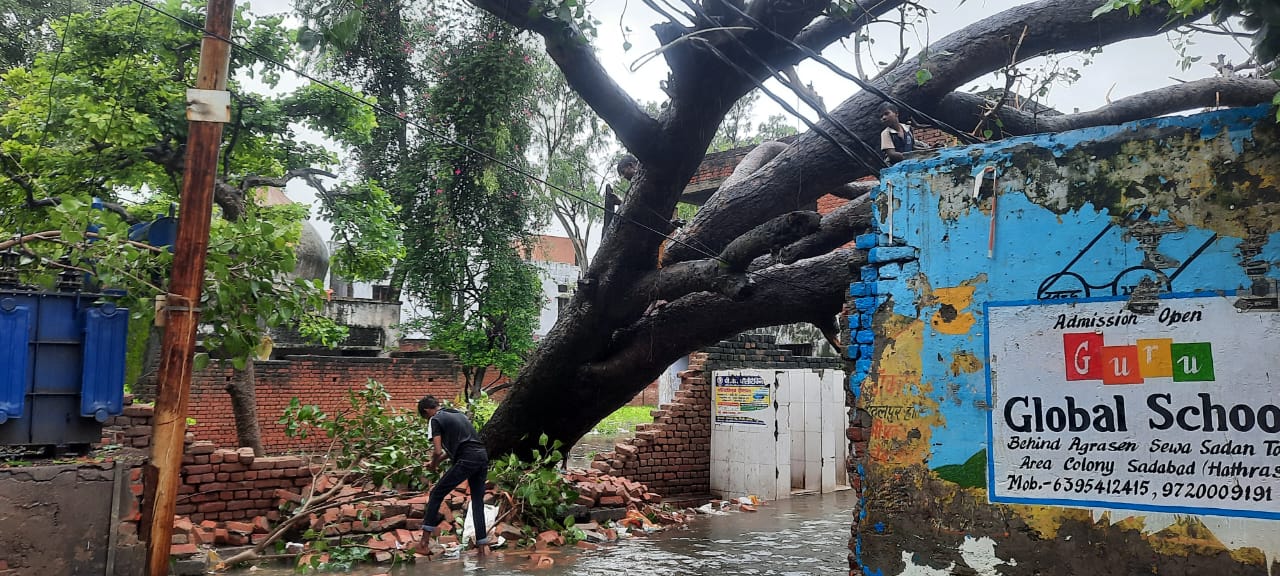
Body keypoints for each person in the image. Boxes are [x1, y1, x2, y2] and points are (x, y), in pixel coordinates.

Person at [414, 395, 491, 557]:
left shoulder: (435, 419)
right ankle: (482, 548)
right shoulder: (457, 414)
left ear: (427, 411)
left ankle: (423, 543)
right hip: (482, 455)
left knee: (436, 493)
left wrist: (433, 465)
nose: (427, 419)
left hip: (467, 458)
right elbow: (450, 452)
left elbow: (437, 451)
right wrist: (436, 462)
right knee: (477, 501)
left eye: (425, 416)